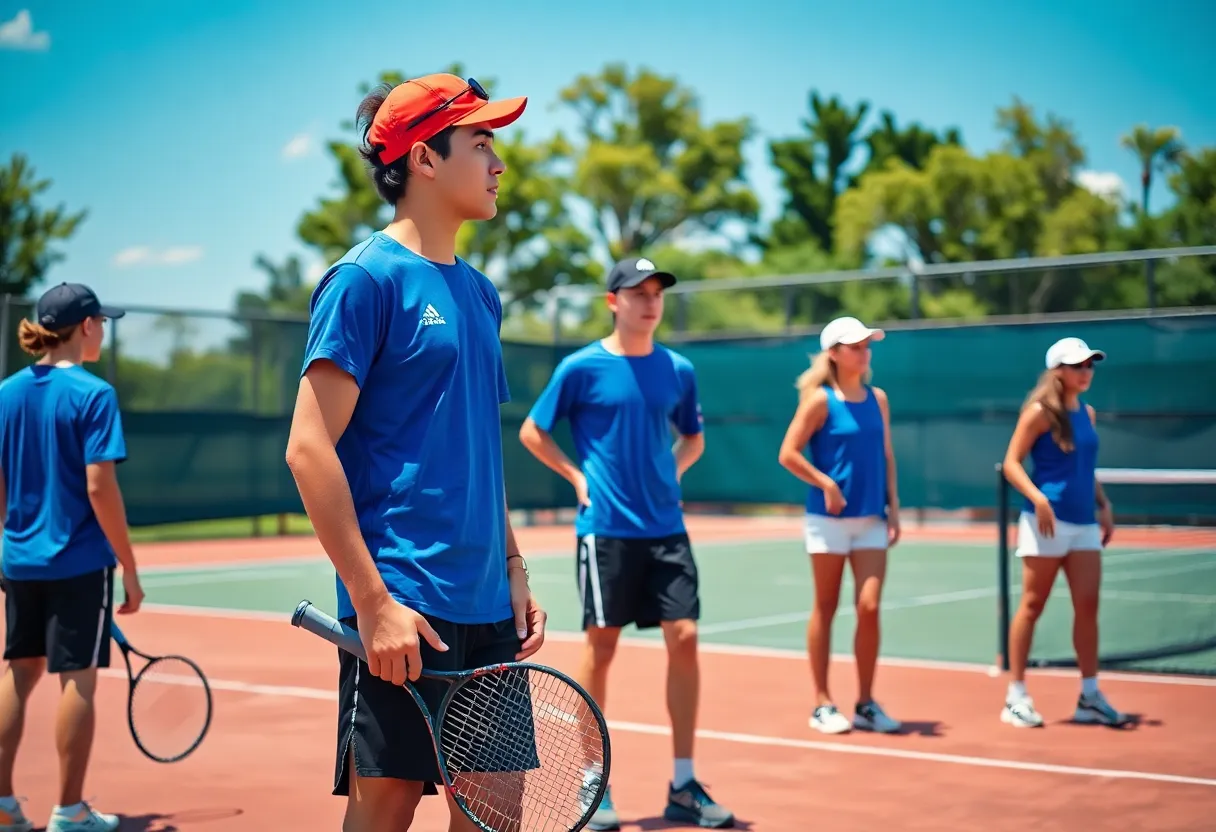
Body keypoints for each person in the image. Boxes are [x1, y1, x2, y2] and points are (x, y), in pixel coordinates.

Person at [283, 73, 547, 831]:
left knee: (496, 814)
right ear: (425, 159)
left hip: (486, 605)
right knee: (386, 813)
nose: (499, 163)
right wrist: (372, 603)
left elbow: (477, 449)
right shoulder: (364, 280)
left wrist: (513, 567)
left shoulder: (482, 293)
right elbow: (308, 449)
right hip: (405, 604)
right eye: (482, 143)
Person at [519, 257, 733, 831]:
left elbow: (694, 438)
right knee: (603, 645)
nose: (649, 301)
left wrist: (673, 471)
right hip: (605, 530)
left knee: (685, 637)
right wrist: (576, 477)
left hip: (667, 528)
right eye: (636, 293)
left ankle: (683, 783)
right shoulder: (580, 367)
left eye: (656, 292)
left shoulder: (678, 370)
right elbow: (532, 430)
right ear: (613, 301)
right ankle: (595, 780)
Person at [0, 283, 144, 832]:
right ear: (85, 326)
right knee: (77, 680)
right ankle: (70, 810)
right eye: (101, 322)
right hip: (78, 562)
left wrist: (6, 544)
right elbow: (99, 486)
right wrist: (128, 567)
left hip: (19, 561)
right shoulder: (93, 394)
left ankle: (3, 805)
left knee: (18, 673)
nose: (103, 331)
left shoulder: (6, 394)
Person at [776, 315, 902, 736]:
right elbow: (789, 454)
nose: (865, 353)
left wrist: (894, 507)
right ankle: (822, 702)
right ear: (834, 353)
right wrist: (826, 482)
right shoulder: (819, 401)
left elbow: (886, 456)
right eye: (856, 346)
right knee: (826, 608)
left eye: (868, 345)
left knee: (869, 606)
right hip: (827, 522)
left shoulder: (877, 398)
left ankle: (866, 703)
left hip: (871, 520)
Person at [999, 336, 1130, 729]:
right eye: (1078, 366)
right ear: (1058, 370)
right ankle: (1016, 696)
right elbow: (1011, 463)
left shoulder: (1086, 413)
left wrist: (1103, 504)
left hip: (1084, 524)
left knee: (1087, 606)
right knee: (1032, 605)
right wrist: (1038, 499)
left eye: (1090, 365)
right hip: (1046, 524)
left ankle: (1090, 696)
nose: (1086, 372)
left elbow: (1085, 469)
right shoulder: (1039, 412)